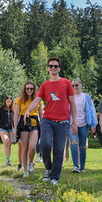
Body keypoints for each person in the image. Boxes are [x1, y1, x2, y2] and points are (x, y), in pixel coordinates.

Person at [24, 57, 77, 186]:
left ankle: (54, 177)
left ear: (59, 68)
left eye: (55, 66)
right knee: (45, 145)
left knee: (59, 150)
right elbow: (37, 100)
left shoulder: (66, 83)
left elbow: (72, 103)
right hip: (47, 120)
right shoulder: (44, 85)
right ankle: (48, 168)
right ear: (48, 68)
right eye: (51, 66)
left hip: (63, 121)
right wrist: (28, 110)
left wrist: (74, 122)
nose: (53, 68)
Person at [14, 81, 43, 178]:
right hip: (23, 124)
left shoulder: (38, 100)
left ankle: (31, 162)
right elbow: (16, 116)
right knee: (24, 147)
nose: (29, 90)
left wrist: (44, 128)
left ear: (34, 90)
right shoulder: (19, 100)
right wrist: (15, 129)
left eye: (31, 89)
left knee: (33, 146)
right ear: (24, 89)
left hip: (34, 123)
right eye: (27, 88)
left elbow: (42, 116)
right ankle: (25, 171)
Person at [69, 78, 97, 173]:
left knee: (82, 146)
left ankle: (82, 167)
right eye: (72, 85)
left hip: (84, 124)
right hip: (72, 124)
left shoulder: (86, 97)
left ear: (80, 85)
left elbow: (92, 111)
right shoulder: (70, 97)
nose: (74, 87)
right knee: (73, 143)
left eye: (76, 85)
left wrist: (93, 125)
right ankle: (75, 166)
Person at [0, 95, 14, 166]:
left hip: (11, 129)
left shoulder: (13, 110)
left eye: (10, 101)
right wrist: (2, 125)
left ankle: (9, 159)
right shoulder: (1, 109)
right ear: (5, 101)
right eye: (7, 101)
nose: (9, 103)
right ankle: (7, 160)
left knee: (10, 144)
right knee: (6, 142)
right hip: (3, 129)